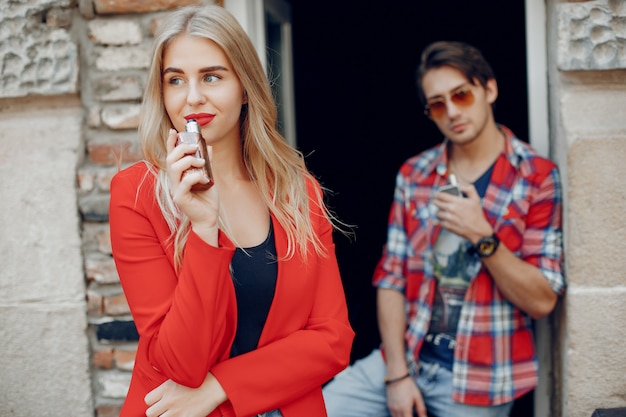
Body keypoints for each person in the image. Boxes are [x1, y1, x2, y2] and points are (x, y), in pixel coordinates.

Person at [109, 5, 354, 417]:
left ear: (244, 85)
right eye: (175, 80)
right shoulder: (136, 195)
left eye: (211, 76)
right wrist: (204, 228)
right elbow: (179, 363)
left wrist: (223, 386)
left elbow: (332, 339)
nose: (192, 97)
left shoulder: (298, 192)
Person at [322, 40, 565, 417]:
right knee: (320, 408)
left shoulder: (537, 177)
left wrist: (482, 236)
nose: (452, 112)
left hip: (481, 380)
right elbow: (391, 279)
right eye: (438, 103)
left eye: (462, 95)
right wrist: (397, 375)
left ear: (489, 89)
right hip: (406, 358)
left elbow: (542, 300)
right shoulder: (415, 174)